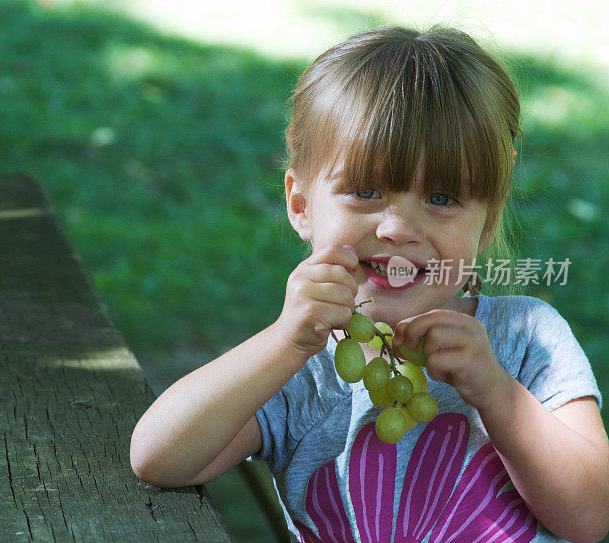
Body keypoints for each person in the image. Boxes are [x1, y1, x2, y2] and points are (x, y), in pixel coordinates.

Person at [130, 25, 609, 542]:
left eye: (443, 198)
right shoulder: (302, 371)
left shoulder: (525, 338)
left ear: (487, 218)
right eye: (364, 191)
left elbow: (589, 518)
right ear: (300, 205)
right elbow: (158, 458)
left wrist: (497, 393)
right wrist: (283, 342)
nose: (399, 228)